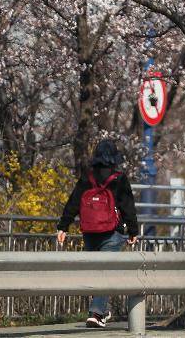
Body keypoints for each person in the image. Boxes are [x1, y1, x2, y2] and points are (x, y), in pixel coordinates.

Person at [56, 139, 138, 329]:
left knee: (96, 271)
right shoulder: (119, 178)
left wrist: (63, 226)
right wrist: (133, 231)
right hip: (112, 233)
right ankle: (96, 312)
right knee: (107, 272)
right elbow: (128, 206)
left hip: (90, 233)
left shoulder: (88, 177)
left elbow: (74, 202)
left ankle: (100, 310)